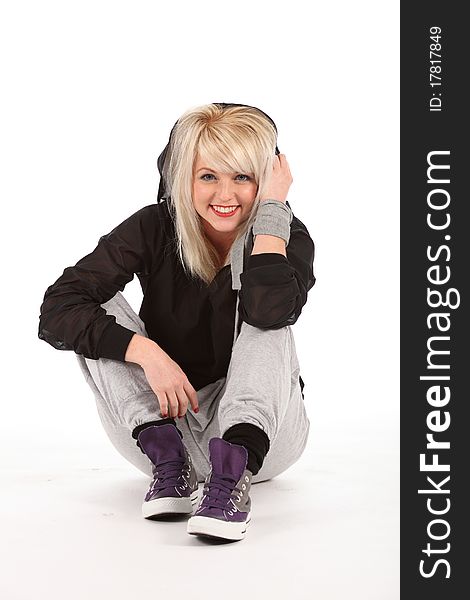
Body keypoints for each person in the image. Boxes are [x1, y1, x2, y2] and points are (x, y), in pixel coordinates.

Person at [38, 102, 316, 542]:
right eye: (208, 176)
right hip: (162, 430)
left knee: (270, 315)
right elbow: (57, 308)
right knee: (96, 304)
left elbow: (269, 310)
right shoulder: (154, 226)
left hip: (264, 437)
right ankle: (170, 468)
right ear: (182, 177)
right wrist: (144, 352)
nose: (225, 195)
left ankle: (232, 480)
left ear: (264, 180)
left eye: (242, 176)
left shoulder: (283, 234)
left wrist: (272, 212)